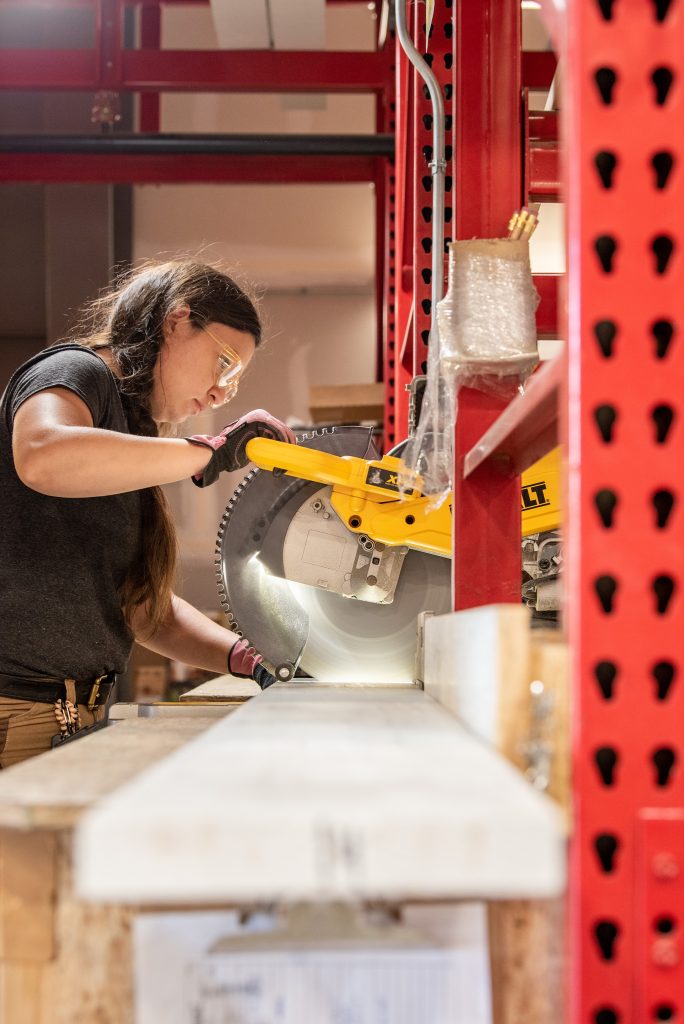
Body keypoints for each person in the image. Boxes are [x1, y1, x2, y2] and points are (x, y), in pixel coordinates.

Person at [0, 258, 297, 767]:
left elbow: (143, 608)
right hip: (16, 711)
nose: (222, 392)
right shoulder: (77, 371)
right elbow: (42, 455)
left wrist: (253, 658)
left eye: (237, 379)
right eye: (224, 362)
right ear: (176, 321)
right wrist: (212, 450)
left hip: (73, 714)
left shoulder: (128, 442)